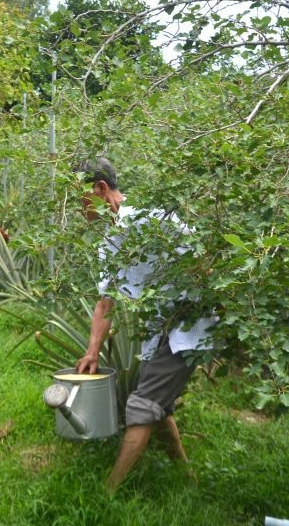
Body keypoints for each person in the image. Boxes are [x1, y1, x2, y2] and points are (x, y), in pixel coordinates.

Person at [74, 157, 217, 493]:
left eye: (78, 198)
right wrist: (92, 350)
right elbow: (105, 302)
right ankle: (186, 477)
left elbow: (204, 258)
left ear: (101, 190)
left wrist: (198, 304)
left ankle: (108, 493)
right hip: (160, 333)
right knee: (157, 404)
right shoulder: (108, 243)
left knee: (140, 406)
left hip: (188, 327)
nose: (77, 208)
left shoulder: (152, 221)